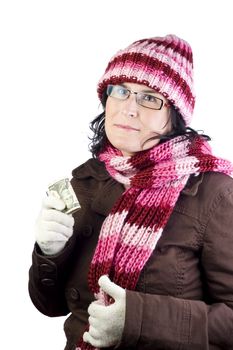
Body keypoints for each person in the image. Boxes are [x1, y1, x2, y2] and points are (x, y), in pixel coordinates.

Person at [28, 34, 233, 350]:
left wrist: (136, 319)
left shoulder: (215, 194)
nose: (129, 109)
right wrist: (49, 253)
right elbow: (50, 306)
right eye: (120, 91)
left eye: (150, 97)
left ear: (175, 116)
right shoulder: (87, 181)